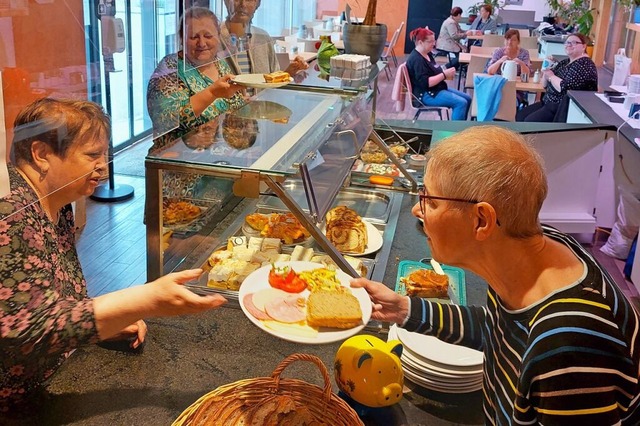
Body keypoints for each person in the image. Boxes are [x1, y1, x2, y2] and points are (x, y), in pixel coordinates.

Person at [352, 125, 640, 425]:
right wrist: (405, 309)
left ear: (481, 220)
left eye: (431, 201)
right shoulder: (529, 250)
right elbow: (497, 329)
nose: (417, 210)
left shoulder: (568, 343)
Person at [0, 98, 227, 414]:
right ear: (41, 154)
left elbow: (57, 301)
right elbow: (20, 334)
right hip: (23, 402)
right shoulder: (11, 215)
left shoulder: (57, 198)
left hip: (60, 370)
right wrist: (141, 300)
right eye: (92, 155)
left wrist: (103, 323)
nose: (103, 167)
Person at [147, 6, 245, 154]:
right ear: (182, 39)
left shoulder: (219, 63)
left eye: (208, 36)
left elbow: (233, 105)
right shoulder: (169, 67)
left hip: (221, 158)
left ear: (218, 36)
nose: (202, 43)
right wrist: (212, 93)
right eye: (194, 37)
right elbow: (167, 120)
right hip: (179, 163)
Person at [517, 33, 597, 122]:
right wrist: (546, 69)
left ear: (584, 46)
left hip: (560, 109)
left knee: (528, 122)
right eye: (567, 42)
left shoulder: (584, 65)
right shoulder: (565, 62)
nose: (569, 45)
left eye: (574, 42)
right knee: (520, 115)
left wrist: (551, 76)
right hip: (547, 102)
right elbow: (545, 85)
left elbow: (565, 87)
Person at [220, 0, 307, 77]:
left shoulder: (263, 38)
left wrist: (290, 71)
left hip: (261, 96)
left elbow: (272, 80)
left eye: (249, 0)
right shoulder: (214, 37)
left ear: (257, 4)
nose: (243, 4)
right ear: (226, 2)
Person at [406, 27, 471, 121]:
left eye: (434, 41)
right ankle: (455, 133)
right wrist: (444, 75)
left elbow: (435, 69)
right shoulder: (417, 60)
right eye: (430, 41)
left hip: (436, 89)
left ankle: (461, 128)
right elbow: (426, 83)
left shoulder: (427, 54)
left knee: (467, 98)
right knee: (461, 103)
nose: (434, 44)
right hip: (426, 94)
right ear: (420, 42)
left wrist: (447, 69)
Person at [486, 29, 531, 105]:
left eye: (513, 40)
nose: (510, 42)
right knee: (494, 99)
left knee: (511, 101)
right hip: (499, 86)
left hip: (516, 89)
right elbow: (490, 71)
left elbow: (526, 74)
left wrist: (521, 63)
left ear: (518, 42)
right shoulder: (498, 52)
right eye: (508, 39)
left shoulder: (524, 53)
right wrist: (500, 60)